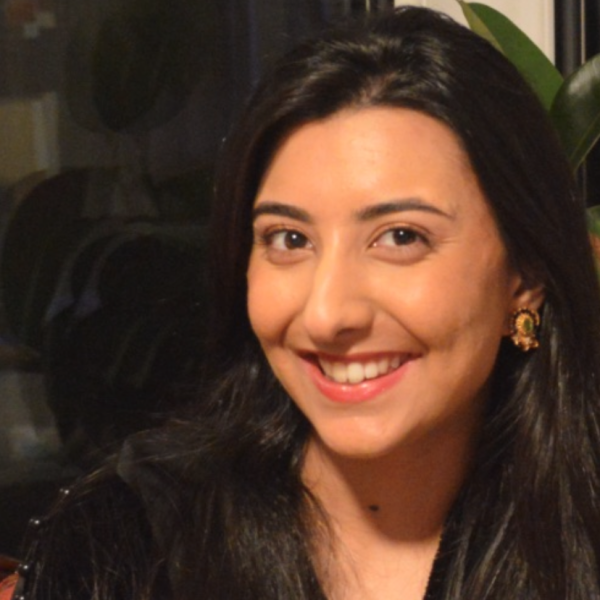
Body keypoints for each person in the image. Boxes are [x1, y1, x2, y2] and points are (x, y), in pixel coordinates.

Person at [8, 5, 600, 599]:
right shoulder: (131, 544)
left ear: (523, 276)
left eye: (400, 237)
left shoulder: (581, 526)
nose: (325, 314)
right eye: (289, 240)